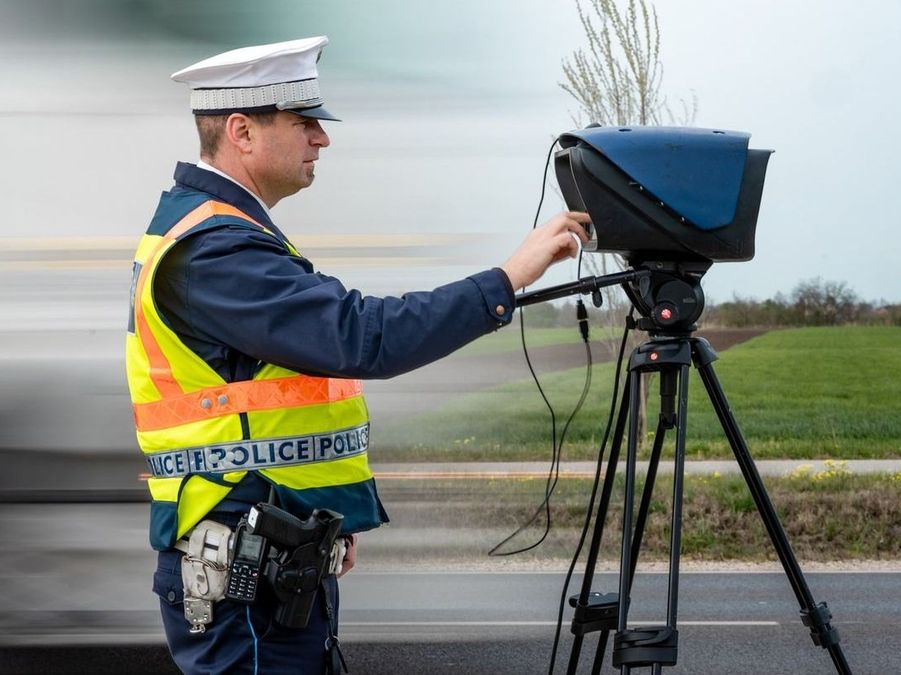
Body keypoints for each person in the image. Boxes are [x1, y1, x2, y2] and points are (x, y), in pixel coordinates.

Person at [126, 36, 590, 674]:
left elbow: (260, 409)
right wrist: (507, 279)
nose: (322, 139)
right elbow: (361, 336)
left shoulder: (224, 233)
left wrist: (323, 520)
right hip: (243, 576)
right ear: (242, 131)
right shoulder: (215, 251)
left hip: (266, 555)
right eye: (303, 122)